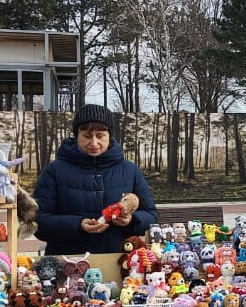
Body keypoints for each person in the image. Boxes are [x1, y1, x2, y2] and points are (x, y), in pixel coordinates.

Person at [33, 104, 158, 256]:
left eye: (100, 135)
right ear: (77, 135)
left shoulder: (130, 170)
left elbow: (151, 215)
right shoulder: (55, 171)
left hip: (121, 263)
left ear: (109, 136)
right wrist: (78, 225)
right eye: (86, 135)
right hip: (69, 262)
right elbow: (38, 222)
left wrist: (131, 220)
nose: (93, 143)